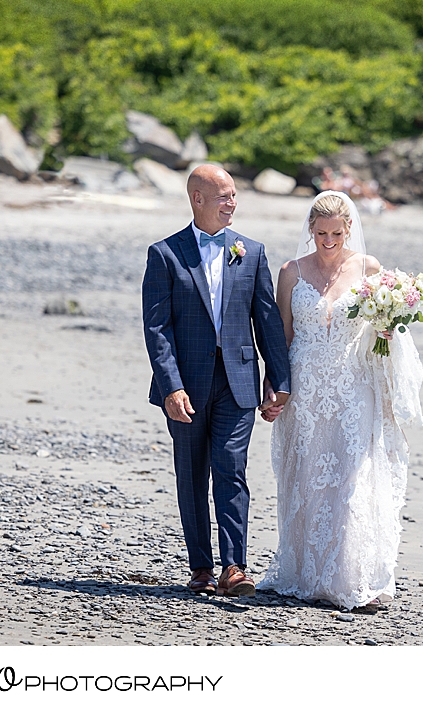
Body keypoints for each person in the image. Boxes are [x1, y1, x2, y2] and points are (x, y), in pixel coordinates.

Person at [257, 191, 423, 611]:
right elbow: (283, 336)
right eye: (320, 233)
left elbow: (378, 328)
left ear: (349, 229)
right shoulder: (291, 272)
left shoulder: (369, 269)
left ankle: (351, 577)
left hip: (353, 387)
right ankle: (307, 573)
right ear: (309, 229)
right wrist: (274, 387)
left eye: (335, 233)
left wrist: (387, 330)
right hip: (306, 389)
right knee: (308, 478)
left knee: (352, 478)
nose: (327, 241)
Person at [142, 164, 291, 597]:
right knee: (191, 476)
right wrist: (170, 386)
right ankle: (201, 568)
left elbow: (266, 321)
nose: (232, 203)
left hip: (239, 382)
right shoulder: (165, 254)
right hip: (185, 386)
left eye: (234, 195)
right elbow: (157, 328)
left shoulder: (252, 251)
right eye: (224, 195)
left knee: (231, 468)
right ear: (197, 199)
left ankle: (234, 567)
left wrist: (277, 381)